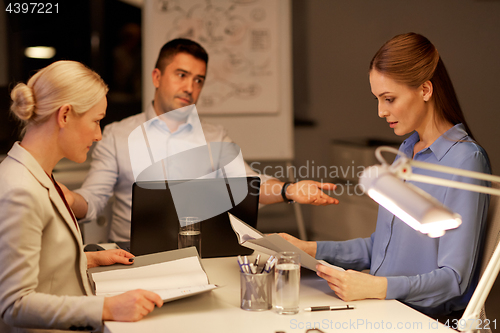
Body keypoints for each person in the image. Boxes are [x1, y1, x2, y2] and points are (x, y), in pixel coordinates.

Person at [281, 32, 490, 318]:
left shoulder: (465, 161)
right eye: (378, 99)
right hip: (384, 309)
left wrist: (378, 287)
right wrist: (310, 248)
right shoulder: (406, 151)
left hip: (419, 319)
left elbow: (454, 279)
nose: (381, 111)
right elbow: (381, 246)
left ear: (426, 90)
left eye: (389, 99)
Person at [68, 38, 338, 242]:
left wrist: (288, 190)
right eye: (182, 75)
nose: (190, 88)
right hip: (131, 254)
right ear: (157, 77)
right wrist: (66, 199)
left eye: (199, 80)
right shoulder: (117, 135)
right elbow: (93, 198)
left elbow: (246, 185)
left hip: (199, 251)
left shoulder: (214, 137)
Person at [0, 61, 162, 333]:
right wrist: (107, 308)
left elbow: (39, 262)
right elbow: (15, 304)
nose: (99, 135)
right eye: (96, 121)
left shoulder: (38, 173)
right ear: (64, 115)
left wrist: (86, 258)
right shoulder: (20, 190)